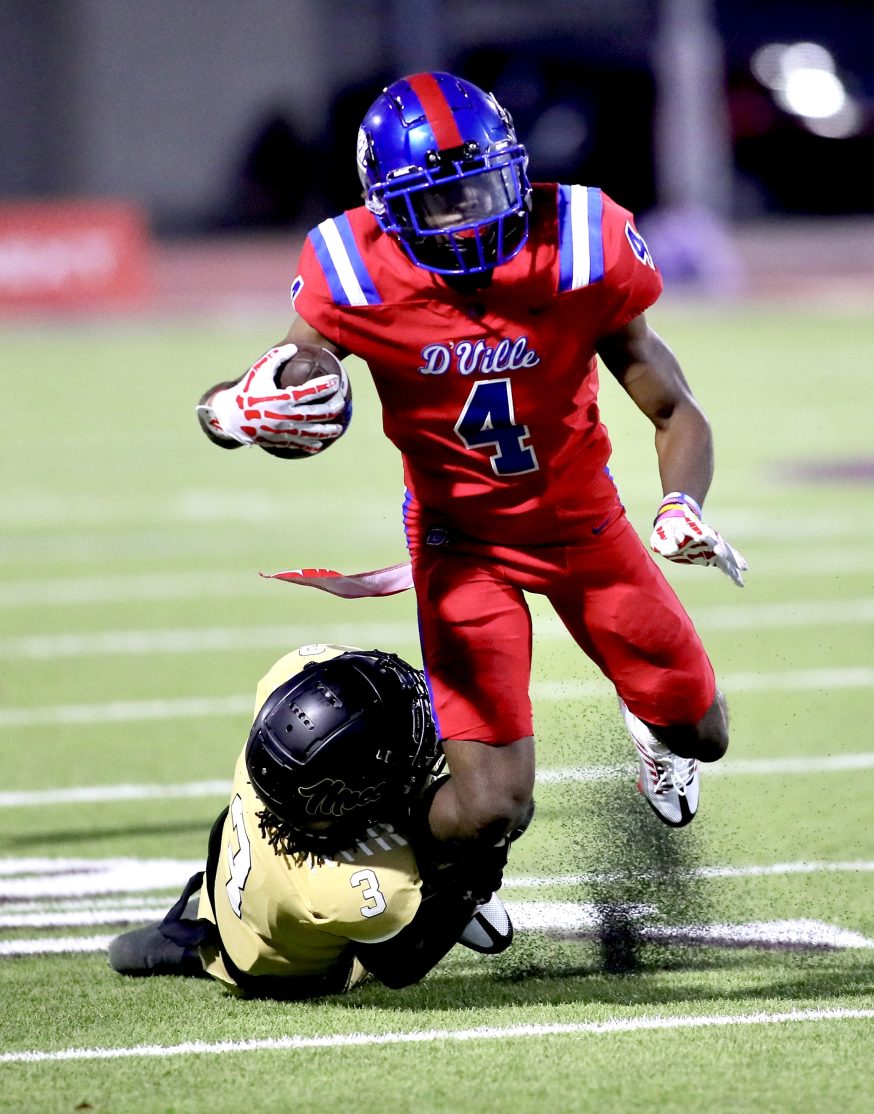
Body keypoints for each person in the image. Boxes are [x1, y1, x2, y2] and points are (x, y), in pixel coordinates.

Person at [195, 72, 747, 856]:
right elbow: (291, 366)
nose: (469, 220)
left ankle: (654, 735)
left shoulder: (580, 242)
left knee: (704, 732)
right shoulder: (355, 270)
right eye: (440, 203)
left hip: (583, 525)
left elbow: (673, 407)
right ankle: (428, 868)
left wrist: (680, 505)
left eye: (484, 189)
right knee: (491, 809)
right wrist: (235, 409)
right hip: (461, 545)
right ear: (388, 212)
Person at [109, 644, 513, 998]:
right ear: (349, 797)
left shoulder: (283, 736)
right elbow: (400, 965)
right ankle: (450, 880)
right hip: (279, 971)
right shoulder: (355, 888)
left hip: (239, 891)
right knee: (482, 822)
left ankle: (210, 924)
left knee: (123, 951)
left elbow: (345, 678)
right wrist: (474, 876)